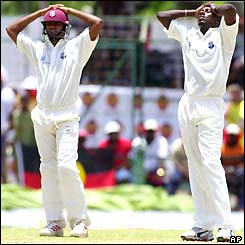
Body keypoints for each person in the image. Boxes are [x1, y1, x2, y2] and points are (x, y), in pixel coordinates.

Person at [6, 4, 103, 238]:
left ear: (65, 26)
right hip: (42, 115)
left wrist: (69, 9)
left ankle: (79, 220)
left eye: (57, 23)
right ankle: (54, 222)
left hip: (67, 115)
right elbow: (11, 29)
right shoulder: (37, 49)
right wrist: (40, 13)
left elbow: (97, 23)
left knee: (66, 166)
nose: (52, 27)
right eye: (49, 24)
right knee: (47, 169)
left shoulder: (77, 47)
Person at [157, 2, 239, 242]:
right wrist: (190, 13)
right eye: (201, 12)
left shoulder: (224, 35)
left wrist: (216, 8)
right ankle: (202, 226)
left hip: (211, 105)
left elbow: (232, 10)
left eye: (208, 13)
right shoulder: (188, 31)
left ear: (216, 19)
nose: (203, 15)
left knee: (211, 163)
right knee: (195, 165)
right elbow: (161, 16)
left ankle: (226, 227)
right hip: (188, 103)